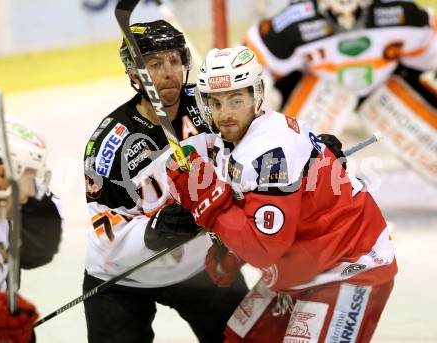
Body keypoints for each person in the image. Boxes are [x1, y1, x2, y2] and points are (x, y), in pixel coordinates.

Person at [166, 46, 398, 342]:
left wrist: (209, 204)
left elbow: (266, 247)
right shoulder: (236, 140)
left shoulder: (271, 151)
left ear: (256, 96)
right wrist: (234, 254)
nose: (224, 114)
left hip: (349, 268)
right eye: (216, 103)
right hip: (302, 265)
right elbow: (256, 209)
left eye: (235, 100)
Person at [83, 20, 248, 343]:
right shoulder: (110, 144)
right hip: (122, 279)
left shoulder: (207, 105)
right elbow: (104, 231)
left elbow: (257, 133)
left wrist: (309, 148)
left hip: (201, 267)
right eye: (154, 65)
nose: (168, 71)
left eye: (174, 59)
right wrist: (154, 232)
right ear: (134, 75)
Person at [243, 0, 437, 184]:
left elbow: (431, 48)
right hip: (323, 88)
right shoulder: (293, 22)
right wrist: (264, 113)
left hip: (384, 85)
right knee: (292, 155)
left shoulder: (401, 13)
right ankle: (280, 190)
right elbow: (251, 62)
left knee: (428, 142)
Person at [0, 117, 62, 343]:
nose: (34, 189)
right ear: (3, 174)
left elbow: (38, 252)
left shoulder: (5, 215)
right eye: (30, 176)